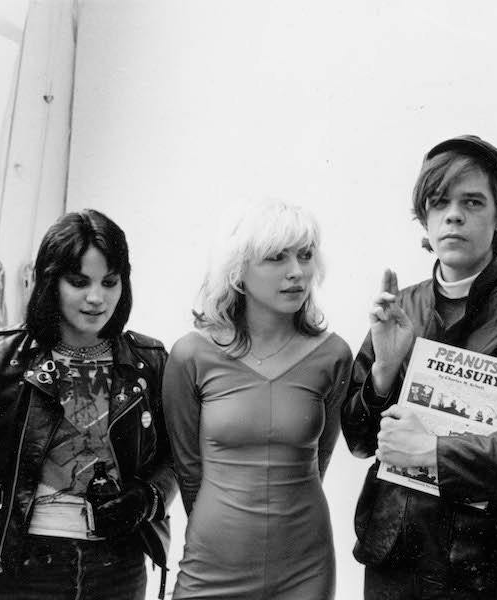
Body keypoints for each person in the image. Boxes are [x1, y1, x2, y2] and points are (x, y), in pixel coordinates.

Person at [342, 135, 497, 599]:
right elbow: (358, 440)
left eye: (472, 201)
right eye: (439, 202)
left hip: (479, 572)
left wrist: (434, 451)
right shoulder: (400, 307)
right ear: (425, 217)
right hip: (391, 561)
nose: (453, 215)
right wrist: (384, 371)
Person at [0, 209, 175, 600]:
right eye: (79, 282)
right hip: (23, 567)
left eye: (110, 281)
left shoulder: (149, 361)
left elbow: (173, 458)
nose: (97, 298)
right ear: (51, 281)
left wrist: (147, 499)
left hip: (120, 565)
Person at [163, 198, 352, 599]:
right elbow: (188, 469)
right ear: (238, 271)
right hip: (213, 561)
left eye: (305, 256)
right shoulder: (191, 355)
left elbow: (321, 458)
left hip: (305, 565)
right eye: (275, 258)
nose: (297, 272)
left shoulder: (333, 354)